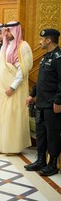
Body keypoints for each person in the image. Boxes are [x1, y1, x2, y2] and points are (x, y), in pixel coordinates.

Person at [0, 21, 33, 154]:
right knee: (2, 117)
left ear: (16, 31)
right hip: (2, 90)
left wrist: (12, 87)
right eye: (6, 31)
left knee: (12, 118)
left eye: (9, 31)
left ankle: (13, 147)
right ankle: (1, 145)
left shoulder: (23, 46)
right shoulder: (5, 45)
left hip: (14, 90)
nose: (7, 33)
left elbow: (23, 70)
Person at [24, 29, 61, 176]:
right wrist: (32, 95)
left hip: (52, 104)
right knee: (41, 134)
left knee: (53, 134)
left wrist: (58, 101)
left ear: (48, 40)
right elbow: (41, 80)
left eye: (42, 39)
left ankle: (52, 164)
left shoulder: (59, 58)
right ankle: (41, 160)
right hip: (41, 103)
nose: (40, 42)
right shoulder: (46, 57)